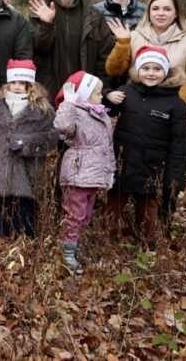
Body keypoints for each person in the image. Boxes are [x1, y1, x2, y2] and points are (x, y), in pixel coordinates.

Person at [106, 46, 186, 250]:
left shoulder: (175, 103)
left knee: (148, 209)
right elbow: (105, 110)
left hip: (152, 167)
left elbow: (179, 144)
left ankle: (149, 244)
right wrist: (108, 95)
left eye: (157, 69)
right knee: (115, 204)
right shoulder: (127, 92)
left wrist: (174, 178)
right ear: (138, 70)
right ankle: (108, 240)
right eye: (146, 68)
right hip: (122, 161)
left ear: (165, 72)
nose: (151, 73)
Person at [0, 60, 56, 238]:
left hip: (28, 169)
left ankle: (25, 243)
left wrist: (26, 143)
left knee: (25, 211)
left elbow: (51, 138)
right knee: (1, 208)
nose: (17, 87)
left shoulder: (42, 109)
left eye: (22, 83)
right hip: (1, 166)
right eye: (14, 82)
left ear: (30, 85)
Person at [53, 71, 116, 273]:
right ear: (84, 96)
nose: (101, 97)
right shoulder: (75, 113)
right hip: (78, 173)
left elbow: (108, 147)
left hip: (94, 175)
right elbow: (62, 126)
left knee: (86, 215)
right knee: (75, 215)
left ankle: (75, 246)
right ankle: (67, 252)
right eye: (96, 93)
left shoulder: (102, 115)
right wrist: (69, 103)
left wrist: (110, 171)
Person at [28, 0, 114, 98]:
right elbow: (37, 50)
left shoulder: (95, 16)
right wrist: (46, 24)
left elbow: (104, 56)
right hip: (49, 89)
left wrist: (100, 88)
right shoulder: (39, 11)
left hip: (84, 90)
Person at [105, 0, 186, 107]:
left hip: (173, 109)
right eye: (155, 9)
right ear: (149, 12)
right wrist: (122, 43)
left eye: (167, 9)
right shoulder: (134, 37)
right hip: (135, 107)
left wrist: (175, 103)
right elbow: (114, 70)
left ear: (176, 13)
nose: (160, 13)